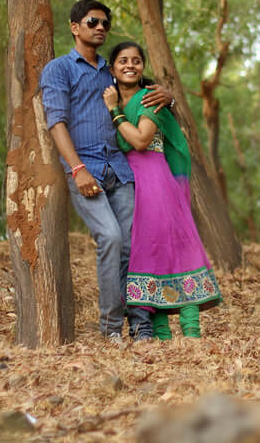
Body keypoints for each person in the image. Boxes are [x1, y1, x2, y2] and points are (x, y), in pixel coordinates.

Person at [39, 0, 173, 343]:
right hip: (85, 169)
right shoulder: (59, 69)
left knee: (132, 247)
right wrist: (77, 168)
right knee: (111, 238)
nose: (100, 28)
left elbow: (142, 88)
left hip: (121, 169)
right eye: (92, 22)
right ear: (75, 28)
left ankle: (140, 324)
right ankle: (111, 328)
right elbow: (56, 122)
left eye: (104, 25)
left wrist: (167, 97)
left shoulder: (109, 70)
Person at [103, 41, 222, 339]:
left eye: (136, 61)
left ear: (143, 67)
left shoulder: (148, 97)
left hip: (154, 178)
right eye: (123, 61)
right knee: (148, 252)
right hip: (130, 181)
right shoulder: (109, 95)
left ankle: (191, 331)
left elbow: (142, 139)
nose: (130, 65)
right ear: (112, 68)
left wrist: (115, 111)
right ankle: (161, 334)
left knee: (177, 248)